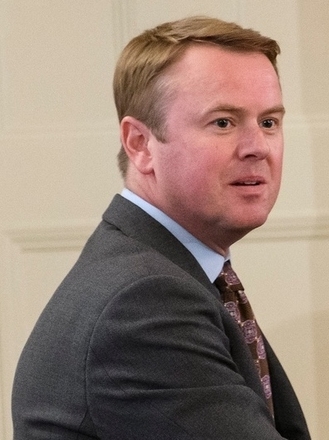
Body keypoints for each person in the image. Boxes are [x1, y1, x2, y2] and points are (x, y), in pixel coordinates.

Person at [12, 16, 310, 439]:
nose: (257, 147)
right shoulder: (145, 304)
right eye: (223, 122)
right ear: (140, 144)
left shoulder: (161, 272)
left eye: (269, 122)